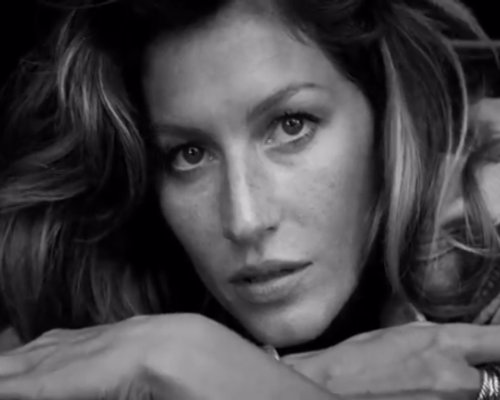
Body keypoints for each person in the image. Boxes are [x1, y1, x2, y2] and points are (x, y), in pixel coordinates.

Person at [1, 0, 500, 398]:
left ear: (385, 106)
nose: (244, 219)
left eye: (291, 126)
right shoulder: (95, 321)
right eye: (189, 155)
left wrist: (186, 359)